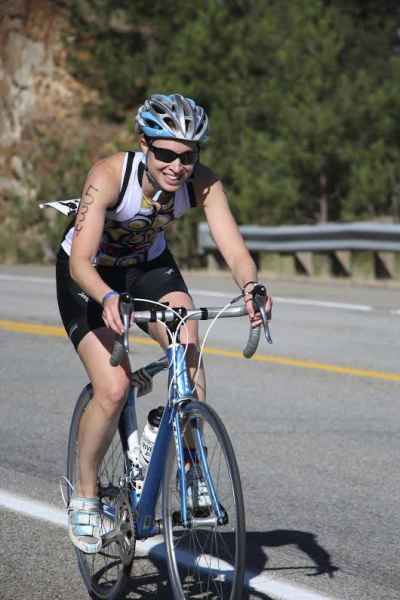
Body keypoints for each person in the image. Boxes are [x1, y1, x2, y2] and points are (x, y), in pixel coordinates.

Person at [56, 93, 272, 554]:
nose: (177, 166)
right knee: (114, 387)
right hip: (92, 275)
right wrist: (108, 297)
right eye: (166, 154)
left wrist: (252, 286)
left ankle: (191, 468)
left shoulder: (203, 183)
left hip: (148, 267)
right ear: (144, 146)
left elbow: (234, 248)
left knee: (187, 342)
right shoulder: (109, 175)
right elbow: (79, 262)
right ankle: (86, 493)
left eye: (187, 156)